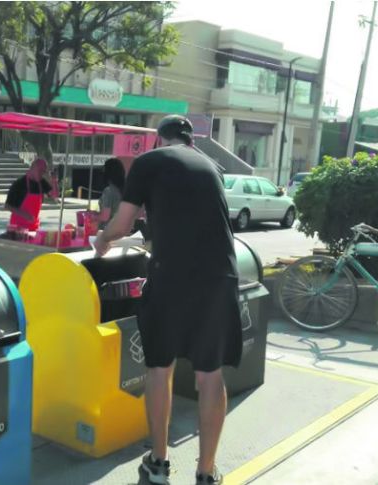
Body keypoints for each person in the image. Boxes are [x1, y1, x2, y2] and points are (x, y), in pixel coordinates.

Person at [94, 115, 241, 485]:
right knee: (210, 375)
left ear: (159, 140)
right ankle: (206, 473)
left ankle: (158, 465)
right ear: (191, 141)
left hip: (172, 276)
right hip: (220, 276)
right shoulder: (212, 166)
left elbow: (122, 224)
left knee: (160, 367)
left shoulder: (149, 161)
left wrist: (103, 239)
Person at [4, 158, 59, 231]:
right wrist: (24, 214)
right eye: (40, 171)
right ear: (32, 168)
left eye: (43, 172)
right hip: (17, 228)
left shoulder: (42, 182)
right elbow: (7, 206)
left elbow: (55, 195)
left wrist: (54, 181)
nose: (42, 174)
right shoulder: (19, 183)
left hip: (33, 227)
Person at [97, 158, 126, 230]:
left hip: (108, 230)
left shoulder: (109, 191)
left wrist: (92, 217)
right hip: (122, 229)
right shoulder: (125, 189)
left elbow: (105, 217)